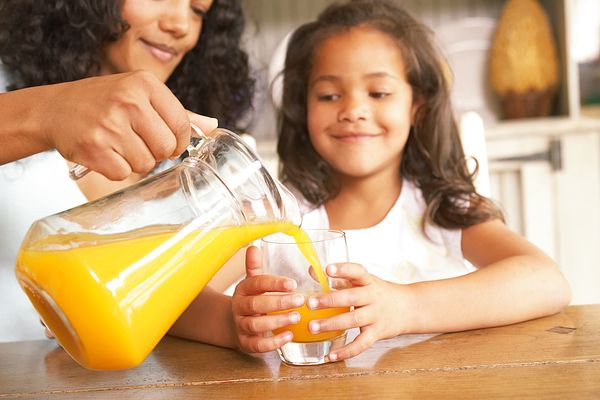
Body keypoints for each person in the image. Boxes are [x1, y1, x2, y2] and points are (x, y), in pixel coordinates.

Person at [220, 0, 571, 361]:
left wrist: (407, 307)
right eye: (329, 95)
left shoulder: (442, 209)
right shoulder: (279, 217)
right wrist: (233, 323)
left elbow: (546, 281)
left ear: (417, 105)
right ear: (303, 107)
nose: (353, 110)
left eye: (379, 93)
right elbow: (175, 300)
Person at [0, 0, 254, 342]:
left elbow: (159, 311)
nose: (181, 24)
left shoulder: (203, 152)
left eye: (198, 11)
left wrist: (241, 319)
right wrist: (48, 112)